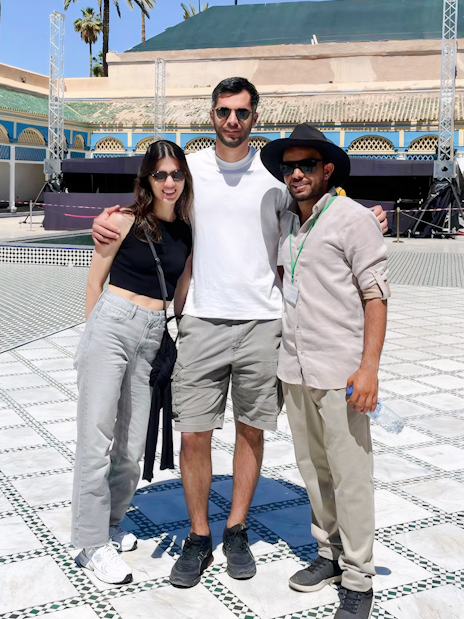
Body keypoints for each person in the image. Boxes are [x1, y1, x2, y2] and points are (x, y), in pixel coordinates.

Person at [92, 77, 388, 589]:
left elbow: (318, 210)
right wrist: (109, 217)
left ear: (255, 118)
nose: (233, 120)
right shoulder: (193, 171)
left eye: (243, 113)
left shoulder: (275, 179)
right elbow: (155, 201)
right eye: (224, 111)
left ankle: (236, 530)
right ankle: (199, 535)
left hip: (263, 324)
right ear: (211, 114)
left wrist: (368, 213)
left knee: (252, 430)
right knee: (194, 434)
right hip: (202, 321)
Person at [260, 124, 389, 619]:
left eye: (306, 165)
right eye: (290, 166)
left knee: (350, 474)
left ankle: (358, 577)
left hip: (341, 372)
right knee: (313, 471)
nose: (296, 173)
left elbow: (375, 296)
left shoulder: (353, 219)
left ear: (327, 169)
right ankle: (328, 554)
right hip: (295, 369)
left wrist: (369, 369)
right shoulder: (291, 224)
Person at [72, 140, 193, 585]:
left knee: (131, 444)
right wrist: (90, 341)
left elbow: (180, 294)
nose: (169, 182)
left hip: (153, 332)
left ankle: (111, 523)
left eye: (176, 174)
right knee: (96, 436)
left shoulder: (186, 231)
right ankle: (90, 543)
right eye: (160, 174)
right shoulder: (122, 222)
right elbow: (93, 281)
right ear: (146, 179)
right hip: (112, 324)